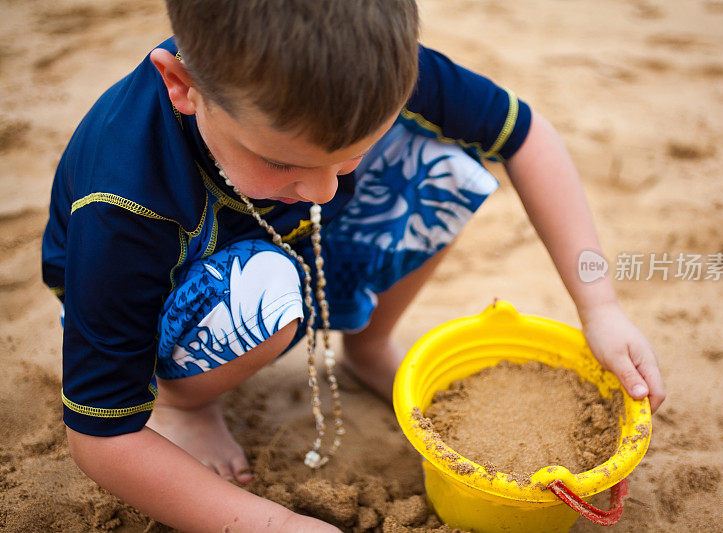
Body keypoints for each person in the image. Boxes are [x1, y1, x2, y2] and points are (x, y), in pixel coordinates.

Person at [41, 0, 665, 531]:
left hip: (282, 241)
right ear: (182, 85)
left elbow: (528, 138)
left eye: (348, 160)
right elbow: (101, 436)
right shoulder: (124, 203)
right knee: (266, 289)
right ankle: (189, 403)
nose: (323, 191)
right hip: (163, 306)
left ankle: (369, 346)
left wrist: (599, 306)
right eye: (283, 163)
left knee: (443, 167)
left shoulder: (368, 70)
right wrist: (272, 523)